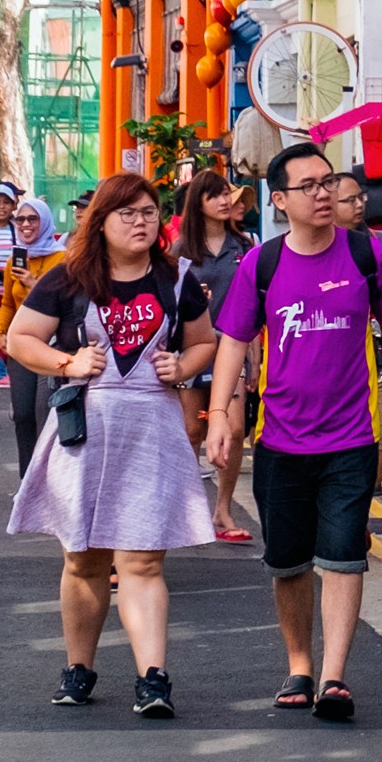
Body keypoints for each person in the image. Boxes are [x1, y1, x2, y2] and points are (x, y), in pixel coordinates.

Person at [204, 143, 382, 724]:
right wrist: (220, 414)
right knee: (288, 561)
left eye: (329, 182)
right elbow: (231, 343)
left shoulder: (366, 254)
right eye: (309, 186)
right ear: (281, 200)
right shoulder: (262, 265)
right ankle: (299, 663)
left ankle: (334, 676)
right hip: (280, 440)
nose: (324, 194)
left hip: (351, 438)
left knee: (345, 553)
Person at [6, 174, 222, 716]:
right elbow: (20, 338)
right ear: (99, 220)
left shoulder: (178, 281)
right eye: (127, 213)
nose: (140, 221)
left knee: (143, 560)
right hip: (86, 428)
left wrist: (184, 366)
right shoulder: (67, 280)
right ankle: (79, 668)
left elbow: (204, 343)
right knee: (83, 558)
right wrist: (68, 363)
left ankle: (154, 678)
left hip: (151, 425)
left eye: (149, 212)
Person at [172, 171, 257, 545]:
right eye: (215, 196)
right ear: (198, 204)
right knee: (191, 430)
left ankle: (222, 508)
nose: (225, 202)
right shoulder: (180, 251)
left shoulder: (247, 244)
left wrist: (253, 357)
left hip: (232, 348)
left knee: (235, 429)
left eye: (227, 194)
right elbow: (166, 303)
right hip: (191, 347)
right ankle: (184, 508)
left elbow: (256, 306)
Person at [0, 186, 63, 457]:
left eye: (33, 219)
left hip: (52, 346)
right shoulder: (14, 260)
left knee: (44, 413)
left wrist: (30, 282)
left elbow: (62, 303)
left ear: (45, 222)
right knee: (23, 415)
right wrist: (0, 332)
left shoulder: (62, 259)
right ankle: (27, 483)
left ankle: (49, 482)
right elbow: (7, 303)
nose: (25, 225)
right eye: (21, 219)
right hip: (20, 348)